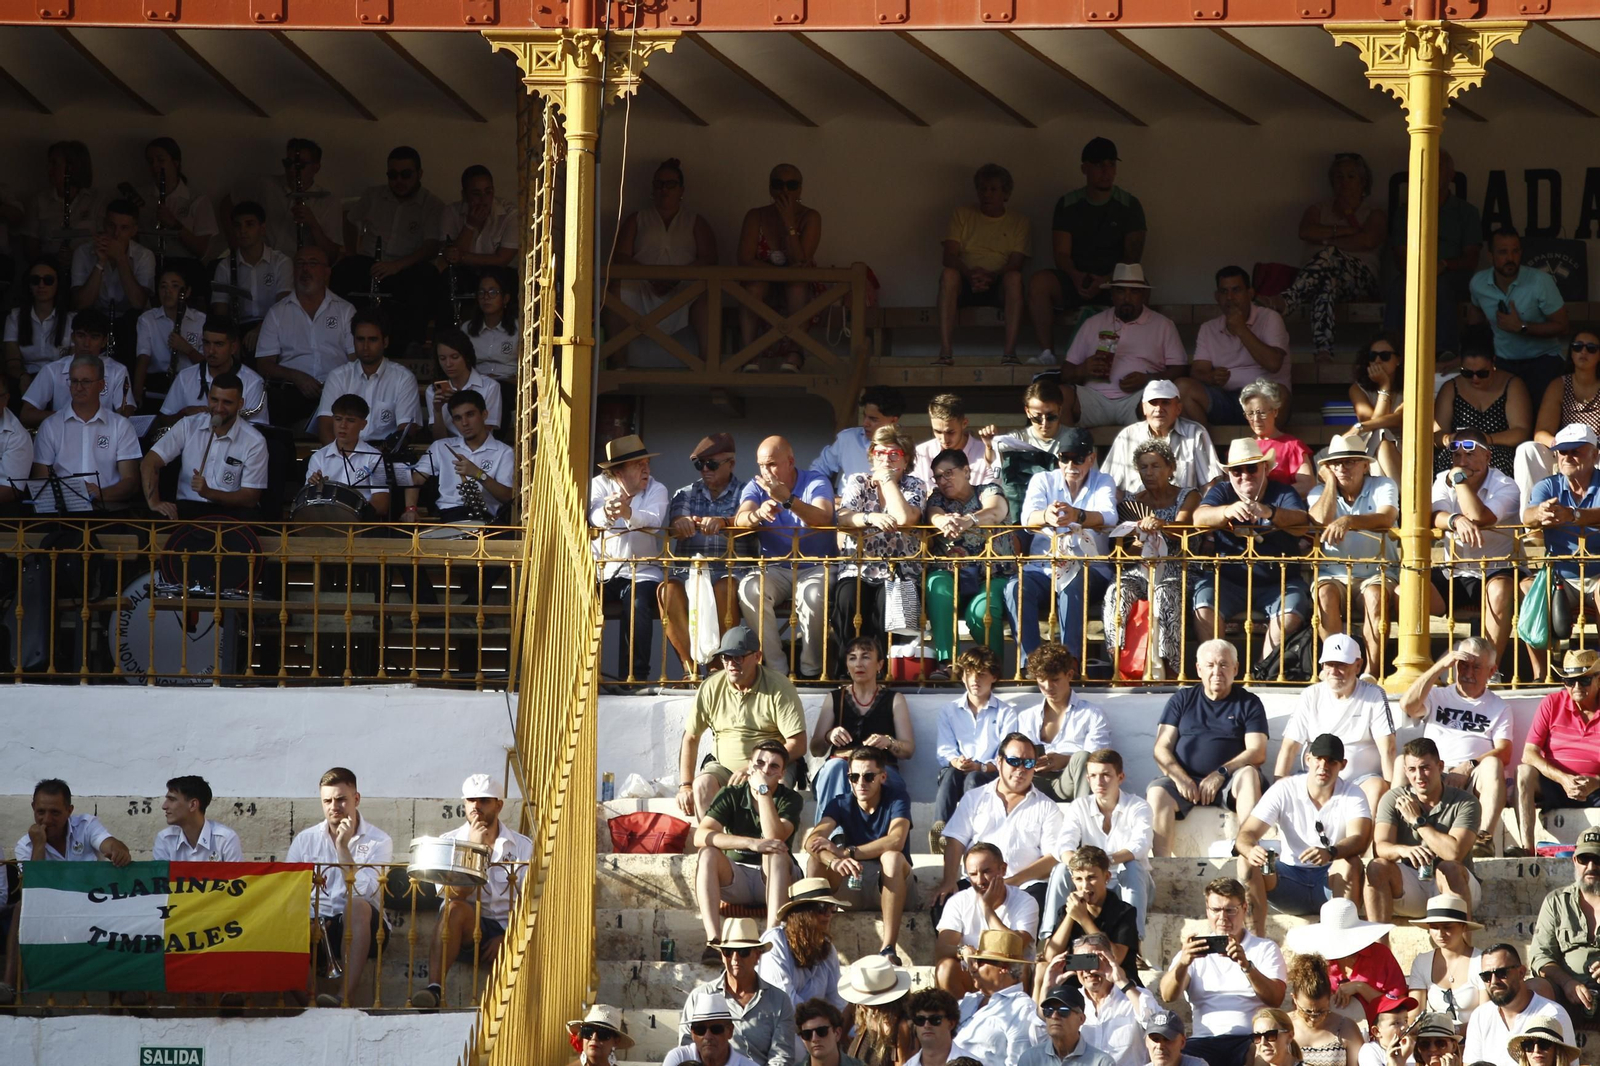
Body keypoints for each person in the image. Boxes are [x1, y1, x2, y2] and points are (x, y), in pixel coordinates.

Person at [0, 778, 133, 1001]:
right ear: (33, 808)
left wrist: (118, 850)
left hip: (92, 905)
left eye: (55, 812)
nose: (46, 819)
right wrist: (39, 845)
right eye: (40, 812)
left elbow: (108, 843)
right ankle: (8, 986)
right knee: (21, 907)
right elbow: (34, 891)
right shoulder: (26, 845)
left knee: (125, 905)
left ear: (69, 810)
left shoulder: (86, 825)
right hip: (51, 912)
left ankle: (126, 989)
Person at [410, 773, 532, 1010]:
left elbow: (532, 900)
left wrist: (509, 937)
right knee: (454, 908)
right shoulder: (449, 842)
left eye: (484, 800)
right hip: (468, 927)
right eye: (471, 800)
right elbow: (456, 894)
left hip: (512, 929)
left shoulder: (523, 846)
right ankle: (434, 989)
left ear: (499, 805)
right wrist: (473, 848)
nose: (476, 806)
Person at [1235, 733, 1372, 935]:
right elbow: (1246, 834)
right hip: (1289, 879)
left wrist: (1331, 853)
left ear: (1342, 765)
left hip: (1329, 879)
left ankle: (1344, 942)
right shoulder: (1284, 788)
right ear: (1308, 759)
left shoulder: (1353, 793)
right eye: (1318, 759)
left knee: (1349, 863)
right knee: (1245, 861)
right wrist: (1250, 850)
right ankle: (1256, 942)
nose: (1323, 766)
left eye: (1331, 761)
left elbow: (1360, 839)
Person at [1029, 137, 1146, 364]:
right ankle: (1047, 353)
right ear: (1085, 168)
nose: (1106, 171)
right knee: (1038, 283)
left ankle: (1128, 355)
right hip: (1076, 280)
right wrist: (1076, 276)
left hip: (1114, 281)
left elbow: (1132, 258)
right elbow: (1061, 253)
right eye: (1099, 165)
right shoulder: (1069, 203)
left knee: (1139, 286)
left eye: (1111, 164)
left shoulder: (1129, 204)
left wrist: (1107, 280)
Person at [1192, 438, 1312, 661]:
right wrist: (1226, 511)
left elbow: (1301, 523)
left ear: (1265, 468)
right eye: (1237, 471)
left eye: (1251, 468)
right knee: (1203, 603)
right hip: (1228, 582)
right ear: (1229, 474)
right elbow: (1199, 518)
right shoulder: (1222, 491)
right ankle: (1218, 670)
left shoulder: (1282, 492)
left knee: (1291, 611)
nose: (1244, 475)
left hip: (1280, 582)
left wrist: (1270, 512)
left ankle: (1264, 672)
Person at [1146, 640, 1268, 857]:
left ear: (1235, 669)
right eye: (1210, 665)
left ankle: (1248, 856)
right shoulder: (1182, 699)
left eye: (1224, 664)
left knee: (1249, 775)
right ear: (1199, 669)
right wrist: (1180, 778)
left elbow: (1257, 751)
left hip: (1230, 780)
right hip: (1185, 781)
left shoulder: (1249, 703)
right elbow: (1161, 748)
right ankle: (1161, 866)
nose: (1217, 671)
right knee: (1157, 792)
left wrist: (1221, 773)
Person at [1005, 426, 1118, 661]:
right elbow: (1027, 519)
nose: (1070, 465)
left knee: (1072, 582)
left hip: (1089, 567)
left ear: (1091, 458)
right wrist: (1046, 515)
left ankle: (1070, 664)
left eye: (1078, 459)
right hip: (1044, 567)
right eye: (1065, 458)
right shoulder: (1043, 479)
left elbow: (1109, 517)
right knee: (1015, 587)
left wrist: (1078, 515)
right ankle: (1031, 665)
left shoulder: (1103, 480)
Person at [285, 767, 393, 1008]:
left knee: (357, 905)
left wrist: (343, 849)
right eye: (327, 801)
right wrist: (307, 919)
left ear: (356, 799)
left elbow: (365, 893)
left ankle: (344, 998)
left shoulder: (379, 840)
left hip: (363, 926)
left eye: (341, 799)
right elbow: (288, 892)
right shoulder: (305, 840)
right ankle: (310, 1005)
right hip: (314, 924)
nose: (334, 806)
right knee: (280, 919)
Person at [677, 624, 807, 819]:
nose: (731, 663)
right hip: (723, 768)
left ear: (757, 656)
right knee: (702, 785)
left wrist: (755, 768)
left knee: (774, 784)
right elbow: (691, 738)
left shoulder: (779, 687)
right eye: (725, 657)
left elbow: (798, 744)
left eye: (738, 657)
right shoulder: (711, 687)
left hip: (769, 767)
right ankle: (712, 838)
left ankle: (769, 837)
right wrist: (685, 785)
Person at [1399, 638, 1512, 858]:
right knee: (1400, 763)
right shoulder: (1437, 695)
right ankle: (1394, 836)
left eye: (1476, 667)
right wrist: (1441, 666)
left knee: (1493, 764)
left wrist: (1468, 766)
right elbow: (1408, 706)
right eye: (1463, 665)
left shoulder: (1499, 706)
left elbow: (1505, 751)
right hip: (1432, 771)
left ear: (1491, 671)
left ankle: (1483, 839)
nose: (1468, 672)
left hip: (1472, 776)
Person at [736, 435, 837, 678]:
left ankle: (811, 671)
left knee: (811, 595)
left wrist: (788, 500)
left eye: (771, 464)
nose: (765, 471)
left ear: (790, 462)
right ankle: (776, 671)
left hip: (817, 565)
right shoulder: (756, 486)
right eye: (761, 465)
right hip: (776, 567)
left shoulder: (815, 481)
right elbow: (740, 519)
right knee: (750, 589)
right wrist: (757, 514)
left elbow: (824, 517)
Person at [1269, 153, 1386, 363]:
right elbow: (1306, 231)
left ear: (1363, 181)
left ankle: (1288, 299)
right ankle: (1323, 351)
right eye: (1338, 176)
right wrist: (1345, 231)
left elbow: (1367, 241)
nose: (1344, 182)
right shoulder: (1318, 209)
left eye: (1351, 176)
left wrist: (1326, 241)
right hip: (1321, 281)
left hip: (1360, 283)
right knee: (1326, 283)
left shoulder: (1373, 212)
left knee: (1329, 254)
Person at [1158, 876, 1287, 1066]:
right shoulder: (1194, 950)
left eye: (1230, 910)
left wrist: (1247, 966)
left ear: (1244, 908)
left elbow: (1275, 998)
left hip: (1249, 1038)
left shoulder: (1264, 948)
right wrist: (1183, 963)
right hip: (1204, 1039)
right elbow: (1167, 995)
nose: (1222, 918)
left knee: (1262, 1057)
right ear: (1207, 910)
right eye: (1216, 910)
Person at [934, 732, 1065, 915]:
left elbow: (1053, 857)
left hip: (1025, 887)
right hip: (977, 882)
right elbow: (956, 841)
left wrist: (1012, 881)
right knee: (943, 904)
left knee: (1039, 903)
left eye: (1028, 763)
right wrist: (948, 880)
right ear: (1000, 762)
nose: (1021, 769)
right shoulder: (974, 798)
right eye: (1014, 761)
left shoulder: (1048, 807)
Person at [804, 746, 913, 962]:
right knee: (815, 862)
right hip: (853, 881)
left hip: (892, 884)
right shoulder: (840, 803)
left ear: (883, 777)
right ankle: (814, 942)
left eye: (868, 776)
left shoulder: (897, 799)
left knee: (891, 857)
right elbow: (811, 842)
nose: (861, 783)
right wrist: (834, 861)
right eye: (854, 777)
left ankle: (888, 949)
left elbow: (896, 840)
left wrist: (848, 852)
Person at [830, 423, 926, 666]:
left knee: (889, 603)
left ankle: (885, 671)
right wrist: (869, 517)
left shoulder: (915, 485)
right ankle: (848, 667)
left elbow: (904, 518)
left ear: (906, 460)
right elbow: (843, 517)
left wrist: (888, 482)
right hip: (859, 566)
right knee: (847, 598)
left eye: (894, 454)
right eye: (880, 453)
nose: (885, 460)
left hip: (899, 570)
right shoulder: (859, 481)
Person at [1102, 438, 1198, 681]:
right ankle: (1119, 666)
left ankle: (1171, 670)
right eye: (1143, 467)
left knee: (1164, 593)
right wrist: (1137, 544)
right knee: (1117, 591)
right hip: (1141, 570)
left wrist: (1162, 525)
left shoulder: (1188, 496)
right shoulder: (1131, 502)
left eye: (1155, 466)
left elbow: (1184, 527)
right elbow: (1121, 551)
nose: (1149, 472)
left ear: (1170, 468)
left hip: (1177, 568)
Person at [1057, 265, 1198, 428]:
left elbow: (1180, 370)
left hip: (1139, 398)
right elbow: (1066, 372)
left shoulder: (1163, 325)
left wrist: (1148, 379)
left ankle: (1153, 445)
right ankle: (1070, 444)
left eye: (1134, 291)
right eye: (1120, 291)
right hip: (1093, 397)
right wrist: (1082, 369)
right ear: (1112, 294)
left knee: (1158, 400)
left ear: (1143, 295)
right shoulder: (1092, 323)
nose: (1127, 298)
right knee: (1059, 395)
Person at [337, 145, 444, 355]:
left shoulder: (432, 204)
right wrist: (351, 251)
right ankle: (342, 339)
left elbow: (431, 247)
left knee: (428, 276)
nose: (399, 181)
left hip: (407, 267)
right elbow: (350, 220)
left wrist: (396, 266)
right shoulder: (373, 195)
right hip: (371, 263)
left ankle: (412, 345)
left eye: (406, 175)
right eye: (393, 175)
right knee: (343, 270)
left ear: (419, 174)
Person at [695, 740, 803, 949]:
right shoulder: (731, 794)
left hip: (776, 877)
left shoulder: (790, 798)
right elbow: (700, 836)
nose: (765, 770)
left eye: (774, 766)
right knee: (707, 854)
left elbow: (775, 836)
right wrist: (751, 843)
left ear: (782, 774)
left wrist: (763, 792)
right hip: (737, 878)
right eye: (760, 763)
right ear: (750, 766)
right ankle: (713, 941)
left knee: (775, 851)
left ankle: (772, 938)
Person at [1041, 749, 1154, 944]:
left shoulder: (1138, 806)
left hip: (1129, 886)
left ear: (1120, 777)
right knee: (1061, 869)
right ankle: (1050, 939)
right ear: (1087, 779)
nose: (1099, 782)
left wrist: (1102, 862)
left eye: (1106, 775)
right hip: (1092, 884)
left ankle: (1134, 943)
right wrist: (1080, 866)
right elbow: (1064, 844)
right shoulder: (1079, 806)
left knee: (1133, 867)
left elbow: (1140, 845)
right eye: (1093, 776)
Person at [609, 157, 717, 360]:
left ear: (681, 190)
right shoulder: (637, 219)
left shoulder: (695, 221)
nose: (664, 189)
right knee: (616, 292)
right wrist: (649, 277)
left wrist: (678, 277)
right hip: (642, 286)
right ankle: (618, 361)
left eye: (670, 184)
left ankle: (707, 363)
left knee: (706, 297)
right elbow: (621, 256)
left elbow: (709, 258)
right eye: (659, 184)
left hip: (683, 287)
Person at [1429, 428, 1519, 670]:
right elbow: (1433, 515)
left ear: (1487, 457)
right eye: (1456, 456)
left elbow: (1478, 516)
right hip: (1454, 572)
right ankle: (1424, 666)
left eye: (1469, 455)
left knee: (1500, 589)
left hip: (1496, 570)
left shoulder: (1506, 485)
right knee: (1407, 588)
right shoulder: (1442, 478)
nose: (1462, 461)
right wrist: (1455, 519)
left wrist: (1459, 480)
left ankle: (1490, 669)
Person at [1365, 737, 1482, 922]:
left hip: (1458, 883)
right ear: (1405, 771)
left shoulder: (1466, 802)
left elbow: (1453, 853)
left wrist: (1417, 821)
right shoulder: (1393, 798)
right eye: (1412, 769)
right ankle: (1378, 940)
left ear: (1440, 766)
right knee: (1377, 867)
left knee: (1449, 868)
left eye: (1425, 767)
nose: (1419, 776)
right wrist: (1403, 850)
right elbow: (1380, 847)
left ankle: (1461, 940)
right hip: (1413, 882)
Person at [1308, 435, 1400, 667]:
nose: (1342, 468)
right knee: (1324, 594)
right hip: (1333, 574)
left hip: (1377, 572)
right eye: (1335, 463)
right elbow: (1319, 520)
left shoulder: (1383, 484)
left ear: (1365, 465)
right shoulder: (1318, 492)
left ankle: (1371, 671)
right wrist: (1330, 483)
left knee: (1375, 596)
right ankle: (1337, 666)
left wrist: (1349, 520)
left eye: (1349, 462)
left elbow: (1387, 517)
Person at [660, 432, 746, 676]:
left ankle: (717, 669)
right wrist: (681, 523)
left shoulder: (746, 492)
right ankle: (690, 671)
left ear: (731, 464)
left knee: (723, 588)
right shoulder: (685, 493)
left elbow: (750, 519)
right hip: (691, 573)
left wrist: (725, 523)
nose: (705, 470)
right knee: (667, 591)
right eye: (700, 465)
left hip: (731, 570)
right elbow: (676, 520)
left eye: (712, 464)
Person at [1278, 636, 1396, 813]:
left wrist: (1392, 797)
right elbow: (1289, 746)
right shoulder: (1310, 695)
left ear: (1358, 665)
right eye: (1329, 664)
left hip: (1361, 781)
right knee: (1286, 787)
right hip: (1315, 777)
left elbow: (1388, 749)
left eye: (1341, 665)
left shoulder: (1374, 694)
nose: (1333, 671)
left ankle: (1369, 832)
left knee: (1377, 787)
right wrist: (1277, 788)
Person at [1383, 151, 1481, 362]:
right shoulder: (1406, 211)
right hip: (1415, 273)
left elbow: (1471, 259)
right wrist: (1421, 271)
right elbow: (1400, 256)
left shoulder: (1466, 212)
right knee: (1398, 287)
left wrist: (1444, 265)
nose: (1432, 172)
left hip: (1453, 275)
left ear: (1451, 174)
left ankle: (1444, 353)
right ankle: (1389, 351)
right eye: (1427, 166)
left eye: (1438, 167)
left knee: (1442, 285)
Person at [587, 433, 667, 681]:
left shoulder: (657, 488)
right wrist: (608, 512)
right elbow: (593, 516)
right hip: (602, 572)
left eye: (647, 463)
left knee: (638, 605)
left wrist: (627, 512)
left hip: (641, 571)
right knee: (576, 601)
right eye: (638, 465)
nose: (646, 469)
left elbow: (654, 521)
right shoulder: (599, 484)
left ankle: (635, 678)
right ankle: (580, 674)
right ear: (617, 472)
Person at [1522, 423, 1600, 678]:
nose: (1568, 457)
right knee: (1529, 590)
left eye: (1576, 451)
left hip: (1598, 575)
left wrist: (1573, 515)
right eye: (1563, 451)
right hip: (1561, 577)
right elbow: (1527, 517)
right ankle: (1540, 676)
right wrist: (1540, 512)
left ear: (1595, 455)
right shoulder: (1547, 486)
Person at [926, 445, 1010, 670]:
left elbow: (995, 512)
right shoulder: (938, 498)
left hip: (992, 574)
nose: (943, 481)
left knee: (981, 612)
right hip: (952, 575)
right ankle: (947, 664)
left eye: (948, 473)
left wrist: (968, 520)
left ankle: (992, 670)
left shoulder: (988, 490)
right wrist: (942, 521)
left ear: (966, 471)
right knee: (936, 583)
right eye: (938, 477)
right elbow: (934, 514)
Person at [254, 244, 357, 428]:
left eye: (313, 263)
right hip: (292, 392)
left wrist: (334, 383)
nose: (305, 269)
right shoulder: (277, 312)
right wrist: (296, 376)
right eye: (300, 264)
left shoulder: (345, 310)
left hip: (338, 392)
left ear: (327, 272)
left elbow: (355, 359)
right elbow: (264, 364)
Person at [142, 373, 268, 521]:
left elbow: (250, 497)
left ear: (240, 404)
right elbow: (149, 462)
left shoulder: (255, 441)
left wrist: (209, 493)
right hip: (188, 507)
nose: (219, 408)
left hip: (229, 512)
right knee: (157, 517)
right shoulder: (188, 425)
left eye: (227, 402)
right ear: (208, 397)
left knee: (250, 517)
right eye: (214, 400)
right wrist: (154, 503)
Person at [809, 638, 913, 816]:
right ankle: (830, 830)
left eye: (865, 657)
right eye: (852, 658)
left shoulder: (894, 699)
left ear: (879, 664)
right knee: (835, 768)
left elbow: (908, 750)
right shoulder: (835, 698)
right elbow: (816, 750)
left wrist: (889, 742)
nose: (858, 664)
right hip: (841, 769)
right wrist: (829, 736)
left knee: (875, 776)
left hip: (880, 769)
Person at [939, 164, 1030, 366]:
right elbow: (948, 256)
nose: (986, 194)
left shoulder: (1019, 221)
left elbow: (1016, 263)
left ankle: (1009, 353)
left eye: (993, 189)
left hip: (998, 284)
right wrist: (969, 273)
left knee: (1014, 278)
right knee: (948, 275)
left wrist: (991, 276)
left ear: (1006, 194)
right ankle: (945, 352)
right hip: (965, 281)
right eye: (982, 189)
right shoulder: (962, 214)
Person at [1512, 650, 1600, 855]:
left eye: (1584, 680)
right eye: (1569, 681)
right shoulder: (1552, 703)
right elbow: (1529, 754)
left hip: (1596, 786)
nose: (1576, 687)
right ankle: (1527, 850)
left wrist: (1596, 781)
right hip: (1555, 784)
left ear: (1598, 679)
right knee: (1523, 772)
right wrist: (1563, 779)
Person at [1468, 229, 1570, 408]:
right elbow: (1475, 323)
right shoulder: (1478, 283)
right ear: (1490, 256)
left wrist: (1522, 327)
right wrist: (1465, 355)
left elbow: (1563, 326)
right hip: (1502, 362)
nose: (1510, 258)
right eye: (1503, 252)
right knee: (1503, 416)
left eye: (1515, 251)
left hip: (1543, 360)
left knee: (1542, 418)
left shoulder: (1540, 281)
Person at [29, 353, 141, 512]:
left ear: (101, 385)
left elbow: (131, 481)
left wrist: (101, 494)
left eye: (86, 381)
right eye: (74, 381)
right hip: (63, 512)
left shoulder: (121, 425)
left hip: (109, 510)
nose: (79, 387)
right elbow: (41, 479)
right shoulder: (50, 426)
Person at [737, 163, 822, 372]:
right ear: (770, 188)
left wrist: (789, 224)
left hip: (797, 286)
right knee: (754, 287)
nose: (784, 190)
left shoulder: (810, 217)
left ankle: (795, 352)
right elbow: (745, 258)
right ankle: (750, 354)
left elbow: (800, 261)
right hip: (762, 283)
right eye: (778, 184)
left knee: (796, 284)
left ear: (800, 189)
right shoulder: (755, 215)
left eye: (791, 185)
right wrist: (777, 274)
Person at [682, 917, 798, 1066]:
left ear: (757, 955)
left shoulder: (779, 1000)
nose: (735, 958)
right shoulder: (699, 997)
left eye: (743, 952)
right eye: (728, 952)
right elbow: (688, 1051)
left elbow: (781, 1057)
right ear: (722, 955)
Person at [1004, 642, 1110, 803]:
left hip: (1071, 781)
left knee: (1083, 758)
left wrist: (1066, 760)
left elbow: (1098, 760)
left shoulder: (1091, 714)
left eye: (1055, 680)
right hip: (1034, 780)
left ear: (1069, 675)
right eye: (1042, 680)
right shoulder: (1027, 717)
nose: (1048, 687)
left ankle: (1085, 814)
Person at [1034, 846, 1142, 1000]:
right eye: (1079, 879)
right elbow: (1051, 955)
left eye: (1091, 878)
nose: (1085, 886)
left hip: (1114, 981)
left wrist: (1084, 919)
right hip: (1077, 979)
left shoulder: (1124, 912)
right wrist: (1071, 915)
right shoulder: (1066, 911)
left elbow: (1116, 957)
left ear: (1106, 877)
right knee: (1042, 968)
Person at [934, 843, 1040, 996]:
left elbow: (1014, 947)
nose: (980, 881)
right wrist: (962, 950)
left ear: (1003, 869)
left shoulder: (1025, 901)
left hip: (1008, 972)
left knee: (1019, 968)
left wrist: (987, 908)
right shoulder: (958, 901)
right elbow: (942, 948)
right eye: (973, 874)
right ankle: (957, 1012)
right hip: (972, 972)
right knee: (945, 967)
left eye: (986, 872)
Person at [1283, 900, 1409, 1030]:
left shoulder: (1381, 955)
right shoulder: (1314, 962)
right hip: (1325, 1032)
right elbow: (1303, 1005)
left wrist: (1361, 988)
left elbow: (1400, 1007)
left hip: (1377, 1034)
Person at [1191, 267, 1292, 426]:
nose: (1229, 297)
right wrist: (1211, 377)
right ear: (1217, 297)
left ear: (1250, 293)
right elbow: (1197, 371)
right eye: (1224, 291)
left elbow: (1273, 364)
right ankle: (1204, 441)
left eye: (1236, 290)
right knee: (1183, 388)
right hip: (1225, 400)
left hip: (1264, 399)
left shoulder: (1270, 318)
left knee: (1280, 394)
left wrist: (1241, 329)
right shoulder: (1208, 328)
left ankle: (1268, 442)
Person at [402, 391, 515, 526]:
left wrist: (478, 474)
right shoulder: (440, 446)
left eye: (470, 414)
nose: (465, 423)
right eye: (458, 418)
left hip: (487, 518)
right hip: (450, 516)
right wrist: (410, 509)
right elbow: (416, 479)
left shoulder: (504, 452)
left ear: (484, 414)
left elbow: (508, 496)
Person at [933, 645, 1010, 842]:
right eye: (968, 674)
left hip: (989, 774)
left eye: (982, 674)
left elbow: (1007, 755)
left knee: (974, 778)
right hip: (957, 772)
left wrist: (981, 766)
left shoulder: (1006, 713)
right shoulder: (949, 710)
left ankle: (969, 831)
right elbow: (944, 749)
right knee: (950, 773)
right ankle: (940, 829)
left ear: (993, 677)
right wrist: (956, 761)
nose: (974, 680)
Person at [310, 309, 420, 444]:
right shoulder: (337, 377)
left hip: (385, 451)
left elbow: (406, 430)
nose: (365, 346)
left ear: (385, 342)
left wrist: (381, 455)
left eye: (372, 340)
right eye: (360, 339)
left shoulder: (403, 378)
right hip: (343, 451)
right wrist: (345, 455)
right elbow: (325, 428)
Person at [1516, 332, 1600, 505]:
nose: (1583, 352)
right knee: (1527, 450)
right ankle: (1531, 517)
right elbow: (1541, 433)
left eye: (1591, 348)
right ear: (1571, 353)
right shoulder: (1559, 385)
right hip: (1563, 451)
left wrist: (1588, 449)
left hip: (1595, 453)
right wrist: (1560, 445)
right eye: (1577, 347)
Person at [1101, 379, 1224, 497]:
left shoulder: (1195, 433)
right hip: (1135, 510)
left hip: (1183, 510)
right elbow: (1109, 485)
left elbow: (1209, 485)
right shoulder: (1127, 436)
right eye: (1153, 403)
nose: (1159, 409)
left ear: (1178, 408)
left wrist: (1199, 509)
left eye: (1165, 402)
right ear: (1144, 408)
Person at [1462, 943, 1575, 1066]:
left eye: (1501, 973)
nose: (1493, 981)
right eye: (1486, 976)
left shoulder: (1553, 1014)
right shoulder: (1480, 1016)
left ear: (1521, 972)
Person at [1530, 827, 1600, 1019]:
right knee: (1534, 988)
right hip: (1565, 990)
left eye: (1598, 859)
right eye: (1584, 859)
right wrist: (1567, 982)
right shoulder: (1556, 901)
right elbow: (1541, 956)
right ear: (1575, 860)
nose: (1591, 866)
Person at [21, 311, 134, 424]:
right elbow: (26, 414)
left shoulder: (117, 371)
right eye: (81, 336)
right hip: (62, 432)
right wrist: (70, 416)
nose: (86, 344)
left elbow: (126, 413)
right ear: (73, 338)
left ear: (104, 341)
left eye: (94, 337)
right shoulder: (52, 370)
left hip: (104, 432)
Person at [1433, 349, 1531, 478]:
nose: (1475, 378)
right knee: (1447, 461)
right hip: (1458, 449)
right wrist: (1451, 439)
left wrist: (1486, 439)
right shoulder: (1451, 387)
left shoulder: (1511, 384)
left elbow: (1521, 431)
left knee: (1493, 462)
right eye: (1467, 373)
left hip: (1498, 449)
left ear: (1493, 363)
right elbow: (1437, 435)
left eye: (1482, 373)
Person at [957, 929, 1045, 1066]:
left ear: (1003, 967)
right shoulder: (969, 1000)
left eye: (979, 963)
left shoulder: (1021, 1008)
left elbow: (1019, 1062)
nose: (973, 968)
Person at [761, 878, 848, 1014]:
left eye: (832, 907)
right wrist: (819, 1021)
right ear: (801, 914)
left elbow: (838, 1001)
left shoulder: (827, 948)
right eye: (821, 907)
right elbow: (783, 1001)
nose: (828, 914)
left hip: (815, 1024)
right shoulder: (775, 942)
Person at [162, 316, 269, 426]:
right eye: (206, 343)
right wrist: (184, 413)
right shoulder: (184, 376)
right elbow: (162, 422)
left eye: (218, 344)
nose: (211, 351)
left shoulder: (253, 382)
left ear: (233, 347)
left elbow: (258, 430)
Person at [211, 200, 291, 347]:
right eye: (237, 225)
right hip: (238, 330)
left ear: (262, 229)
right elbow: (220, 312)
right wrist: (232, 341)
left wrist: (261, 329)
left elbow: (284, 306)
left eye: (249, 224)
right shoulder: (225, 266)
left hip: (275, 327)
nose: (243, 230)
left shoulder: (281, 262)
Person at [304, 394, 395, 518]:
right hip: (326, 519)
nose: (343, 425)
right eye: (338, 419)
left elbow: (381, 504)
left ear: (363, 424)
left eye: (350, 420)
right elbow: (307, 503)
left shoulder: (375, 457)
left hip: (361, 521)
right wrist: (314, 487)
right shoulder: (318, 457)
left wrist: (351, 514)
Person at [253, 137, 343, 261]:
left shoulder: (328, 201)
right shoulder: (266, 185)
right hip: (263, 264)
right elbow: (229, 203)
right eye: (288, 163)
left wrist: (313, 224)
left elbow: (332, 255)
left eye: (300, 165)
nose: (292, 169)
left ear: (316, 168)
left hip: (299, 267)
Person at [1407, 891, 1489, 1028]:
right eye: (1434, 927)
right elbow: (1414, 1014)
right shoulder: (1422, 962)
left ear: (1463, 927)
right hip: (1434, 1037)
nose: (1440, 934)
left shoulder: (1481, 961)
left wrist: (1454, 1032)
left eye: (1447, 927)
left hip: (1475, 1035)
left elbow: (1486, 1015)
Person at [434, 164, 519, 280]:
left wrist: (462, 257)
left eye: (488, 192)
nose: (483, 200)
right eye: (476, 194)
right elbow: (448, 259)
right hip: (463, 276)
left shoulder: (510, 214)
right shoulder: (451, 212)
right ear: (464, 195)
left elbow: (502, 260)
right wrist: (470, 225)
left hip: (500, 278)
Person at [140, 136, 218, 263]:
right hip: (147, 265)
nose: (155, 166)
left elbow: (202, 251)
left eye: (160, 160)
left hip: (183, 266)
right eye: (150, 161)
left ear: (175, 162)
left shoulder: (197, 200)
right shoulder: (142, 198)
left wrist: (174, 224)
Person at [70, 199, 153, 316]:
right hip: (95, 319)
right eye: (111, 226)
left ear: (134, 230)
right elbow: (81, 304)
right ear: (104, 224)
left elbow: (138, 303)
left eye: (124, 228)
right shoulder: (83, 252)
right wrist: (100, 263)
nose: (116, 234)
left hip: (131, 320)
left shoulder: (144, 255)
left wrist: (121, 258)